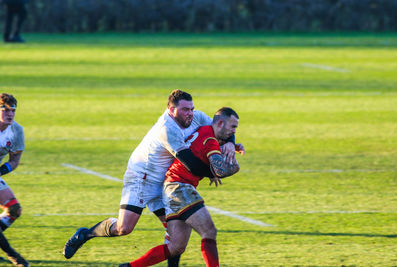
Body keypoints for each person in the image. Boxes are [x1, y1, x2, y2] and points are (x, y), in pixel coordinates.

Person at [63, 90, 243, 267]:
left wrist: (229, 142)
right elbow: (191, 164)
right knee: (124, 228)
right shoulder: (167, 128)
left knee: (177, 236)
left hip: (166, 181)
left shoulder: (196, 116)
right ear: (171, 110)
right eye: (185, 110)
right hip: (141, 178)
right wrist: (215, 172)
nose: (190, 114)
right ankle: (86, 234)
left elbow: (220, 126)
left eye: (191, 109)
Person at [119, 107, 242, 267]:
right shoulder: (210, 140)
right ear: (219, 123)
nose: (233, 132)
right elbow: (219, 170)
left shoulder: (204, 129)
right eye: (233, 127)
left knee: (176, 246)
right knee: (209, 231)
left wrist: (230, 145)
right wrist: (234, 167)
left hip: (171, 187)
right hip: (180, 187)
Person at [0, 93, 29, 267]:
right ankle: (14, 256)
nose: (10, 114)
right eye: (5, 109)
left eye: (13, 110)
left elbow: (15, 161)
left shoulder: (16, 130)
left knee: (14, 210)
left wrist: (3, 169)